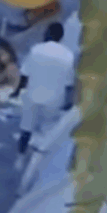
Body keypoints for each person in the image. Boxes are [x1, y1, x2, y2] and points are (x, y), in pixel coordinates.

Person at [10, 23, 75, 170]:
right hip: (55, 97)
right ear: (61, 37)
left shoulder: (36, 50)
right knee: (46, 130)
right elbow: (69, 83)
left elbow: (25, 75)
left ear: (47, 33)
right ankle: (37, 160)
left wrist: (16, 91)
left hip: (33, 94)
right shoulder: (67, 54)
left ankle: (20, 158)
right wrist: (69, 102)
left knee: (27, 128)